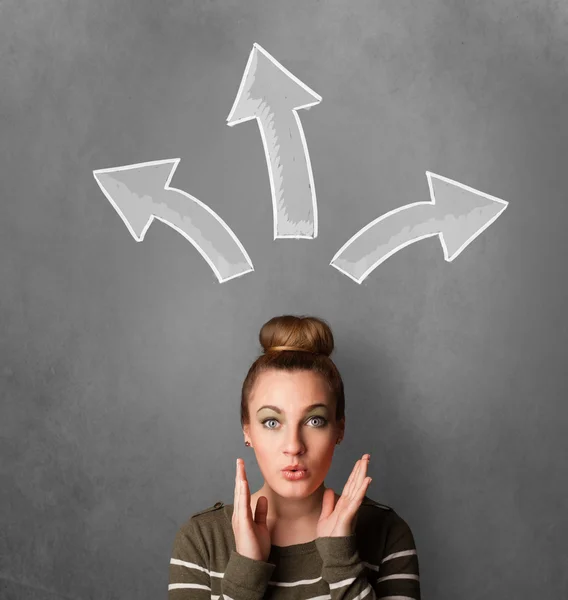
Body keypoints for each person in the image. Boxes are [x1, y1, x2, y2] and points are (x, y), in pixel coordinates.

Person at [169, 315, 421, 599]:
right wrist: (247, 568)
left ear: (340, 428)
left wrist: (341, 559)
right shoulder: (202, 539)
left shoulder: (387, 532)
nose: (294, 446)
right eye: (272, 422)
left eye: (314, 421)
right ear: (247, 430)